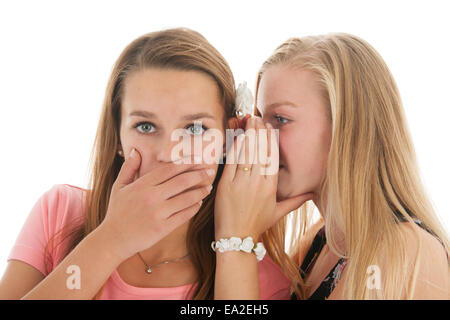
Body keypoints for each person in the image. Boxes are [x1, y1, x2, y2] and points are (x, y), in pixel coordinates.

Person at [0, 28, 292, 300]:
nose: (167, 153)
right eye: (145, 126)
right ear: (117, 136)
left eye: (194, 129)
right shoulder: (59, 212)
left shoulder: (257, 281)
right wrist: (112, 239)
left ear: (228, 139)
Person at [213, 33, 449, 299]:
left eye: (280, 119)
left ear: (347, 128)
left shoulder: (407, 253)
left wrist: (235, 242)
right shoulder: (319, 244)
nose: (257, 136)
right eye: (258, 117)